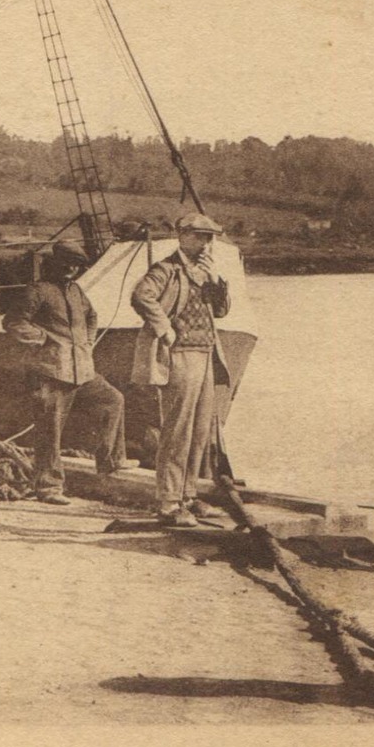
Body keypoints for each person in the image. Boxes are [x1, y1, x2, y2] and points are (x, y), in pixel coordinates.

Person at [2, 239, 128, 504]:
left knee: (112, 400)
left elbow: (91, 317)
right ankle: (48, 487)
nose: (71, 268)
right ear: (54, 263)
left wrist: (87, 342)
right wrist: (42, 340)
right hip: (50, 371)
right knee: (51, 429)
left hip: (82, 370)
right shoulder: (37, 291)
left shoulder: (76, 292)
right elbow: (13, 322)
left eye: (76, 265)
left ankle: (110, 461)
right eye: (66, 263)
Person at [130, 213, 232, 527]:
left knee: (201, 430)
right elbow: (141, 296)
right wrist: (164, 328)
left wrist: (216, 282)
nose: (204, 243)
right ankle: (169, 502)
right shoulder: (166, 269)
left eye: (209, 237)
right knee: (178, 430)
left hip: (206, 354)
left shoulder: (206, 271)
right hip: (179, 355)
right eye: (198, 236)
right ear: (182, 236)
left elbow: (222, 311)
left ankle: (189, 495)